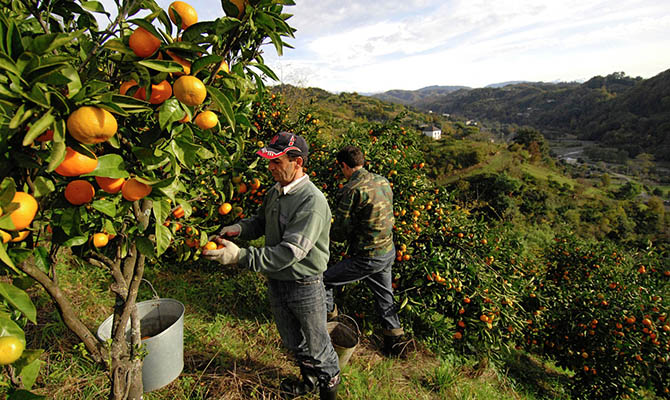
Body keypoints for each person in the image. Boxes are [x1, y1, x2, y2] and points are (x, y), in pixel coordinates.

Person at [203, 132, 340, 399]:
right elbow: (260, 222)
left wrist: (240, 257)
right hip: (277, 280)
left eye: (276, 162)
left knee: (318, 345)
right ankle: (308, 380)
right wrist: (238, 229)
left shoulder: (312, 202)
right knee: (293, 340)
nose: (270, 167)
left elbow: (290, 252)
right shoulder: (276, 192)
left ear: (297, 161)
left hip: (304, 285)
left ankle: (328, 390)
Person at [324, 145, 408, 357]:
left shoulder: (351, 190)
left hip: (367, 256)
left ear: (343, 165)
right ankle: (396, 345)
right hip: (387, 250)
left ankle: (329, 323)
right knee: (384, 296)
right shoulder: (382, 180)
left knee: (324, 280)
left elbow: (339, 232)